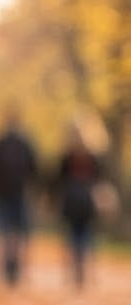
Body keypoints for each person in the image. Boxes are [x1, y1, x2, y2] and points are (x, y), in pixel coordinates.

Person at [0, 110, 39, 286]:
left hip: (5, 193)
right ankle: (17, 269)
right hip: (17, 193)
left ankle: (6, 269)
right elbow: (34, 168)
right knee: (18, 233)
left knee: (4, 232)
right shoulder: (25, 144)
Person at [52, 123, 105, 289]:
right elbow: (100, 179)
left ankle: (76, 270)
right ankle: (83, 271)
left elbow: (58, 181)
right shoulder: (91, 157)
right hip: (83, 201)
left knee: (75, 236)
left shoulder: (68, 157)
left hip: (75, 201)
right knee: (85, 236)